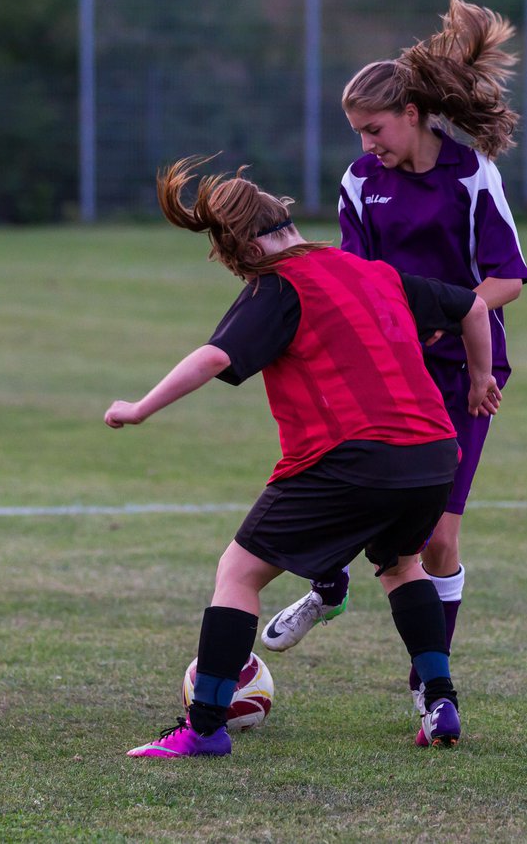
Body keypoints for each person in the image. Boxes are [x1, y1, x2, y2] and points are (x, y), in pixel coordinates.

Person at [108, 155, 500, 757]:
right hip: (432, 452)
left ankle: (204, 728)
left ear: (239, 247)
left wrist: (140, 407)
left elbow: (215, 357)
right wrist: (478, 381)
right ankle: (441, 704)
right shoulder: (371, 272)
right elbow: (474, 307)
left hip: (353, 456)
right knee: (401, 566)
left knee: (238, 573)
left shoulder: (279, 284)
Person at [261, 0, 527, 740]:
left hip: (464, 375)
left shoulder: (470, 175)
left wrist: (451, 318)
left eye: (373, 128)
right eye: (357, 133)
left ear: (412, 114)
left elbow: (507, 277)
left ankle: (429, 683)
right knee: (353, 486)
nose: (367, 143)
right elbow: (356, 278)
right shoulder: (359, 182)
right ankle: (328, 584)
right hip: (388, 368)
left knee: (436, 538)